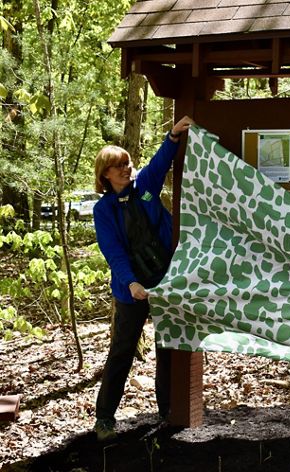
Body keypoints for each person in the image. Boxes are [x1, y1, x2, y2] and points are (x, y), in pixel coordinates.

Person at [92, 116, 194, 441]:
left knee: (166, 348)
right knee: (122, 351)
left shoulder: (146, 189)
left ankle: (166, 413)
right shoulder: (104, 210)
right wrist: (132, 283)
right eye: (119, 166)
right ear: (105, 174)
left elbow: (159, 162)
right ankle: (105, 418)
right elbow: (113, 252)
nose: (126, 169)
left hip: (164, 281)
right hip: (131, 290)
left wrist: (173, 136)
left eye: (128, 163)